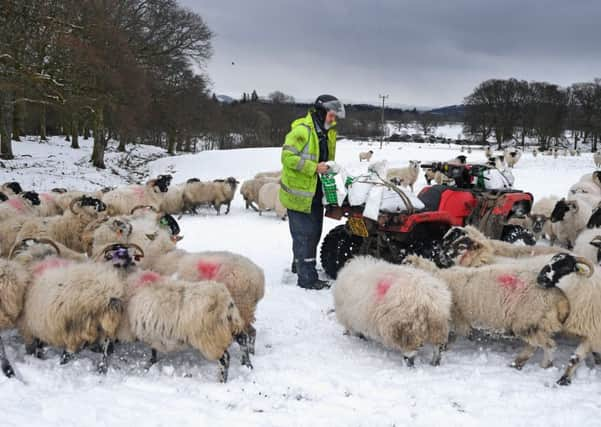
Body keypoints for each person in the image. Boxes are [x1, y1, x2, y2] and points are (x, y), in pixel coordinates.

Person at [279, 94, 345, 290]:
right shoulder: (302, 131)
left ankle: (298, 265)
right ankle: (307, 278)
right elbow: (287, 158)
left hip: (315, 192)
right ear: (321, 112)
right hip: (298, 193)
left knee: (312, 234)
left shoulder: (327, 132)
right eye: (332, 115)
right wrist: (313, 167)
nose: (334, 120)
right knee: (305, 235)